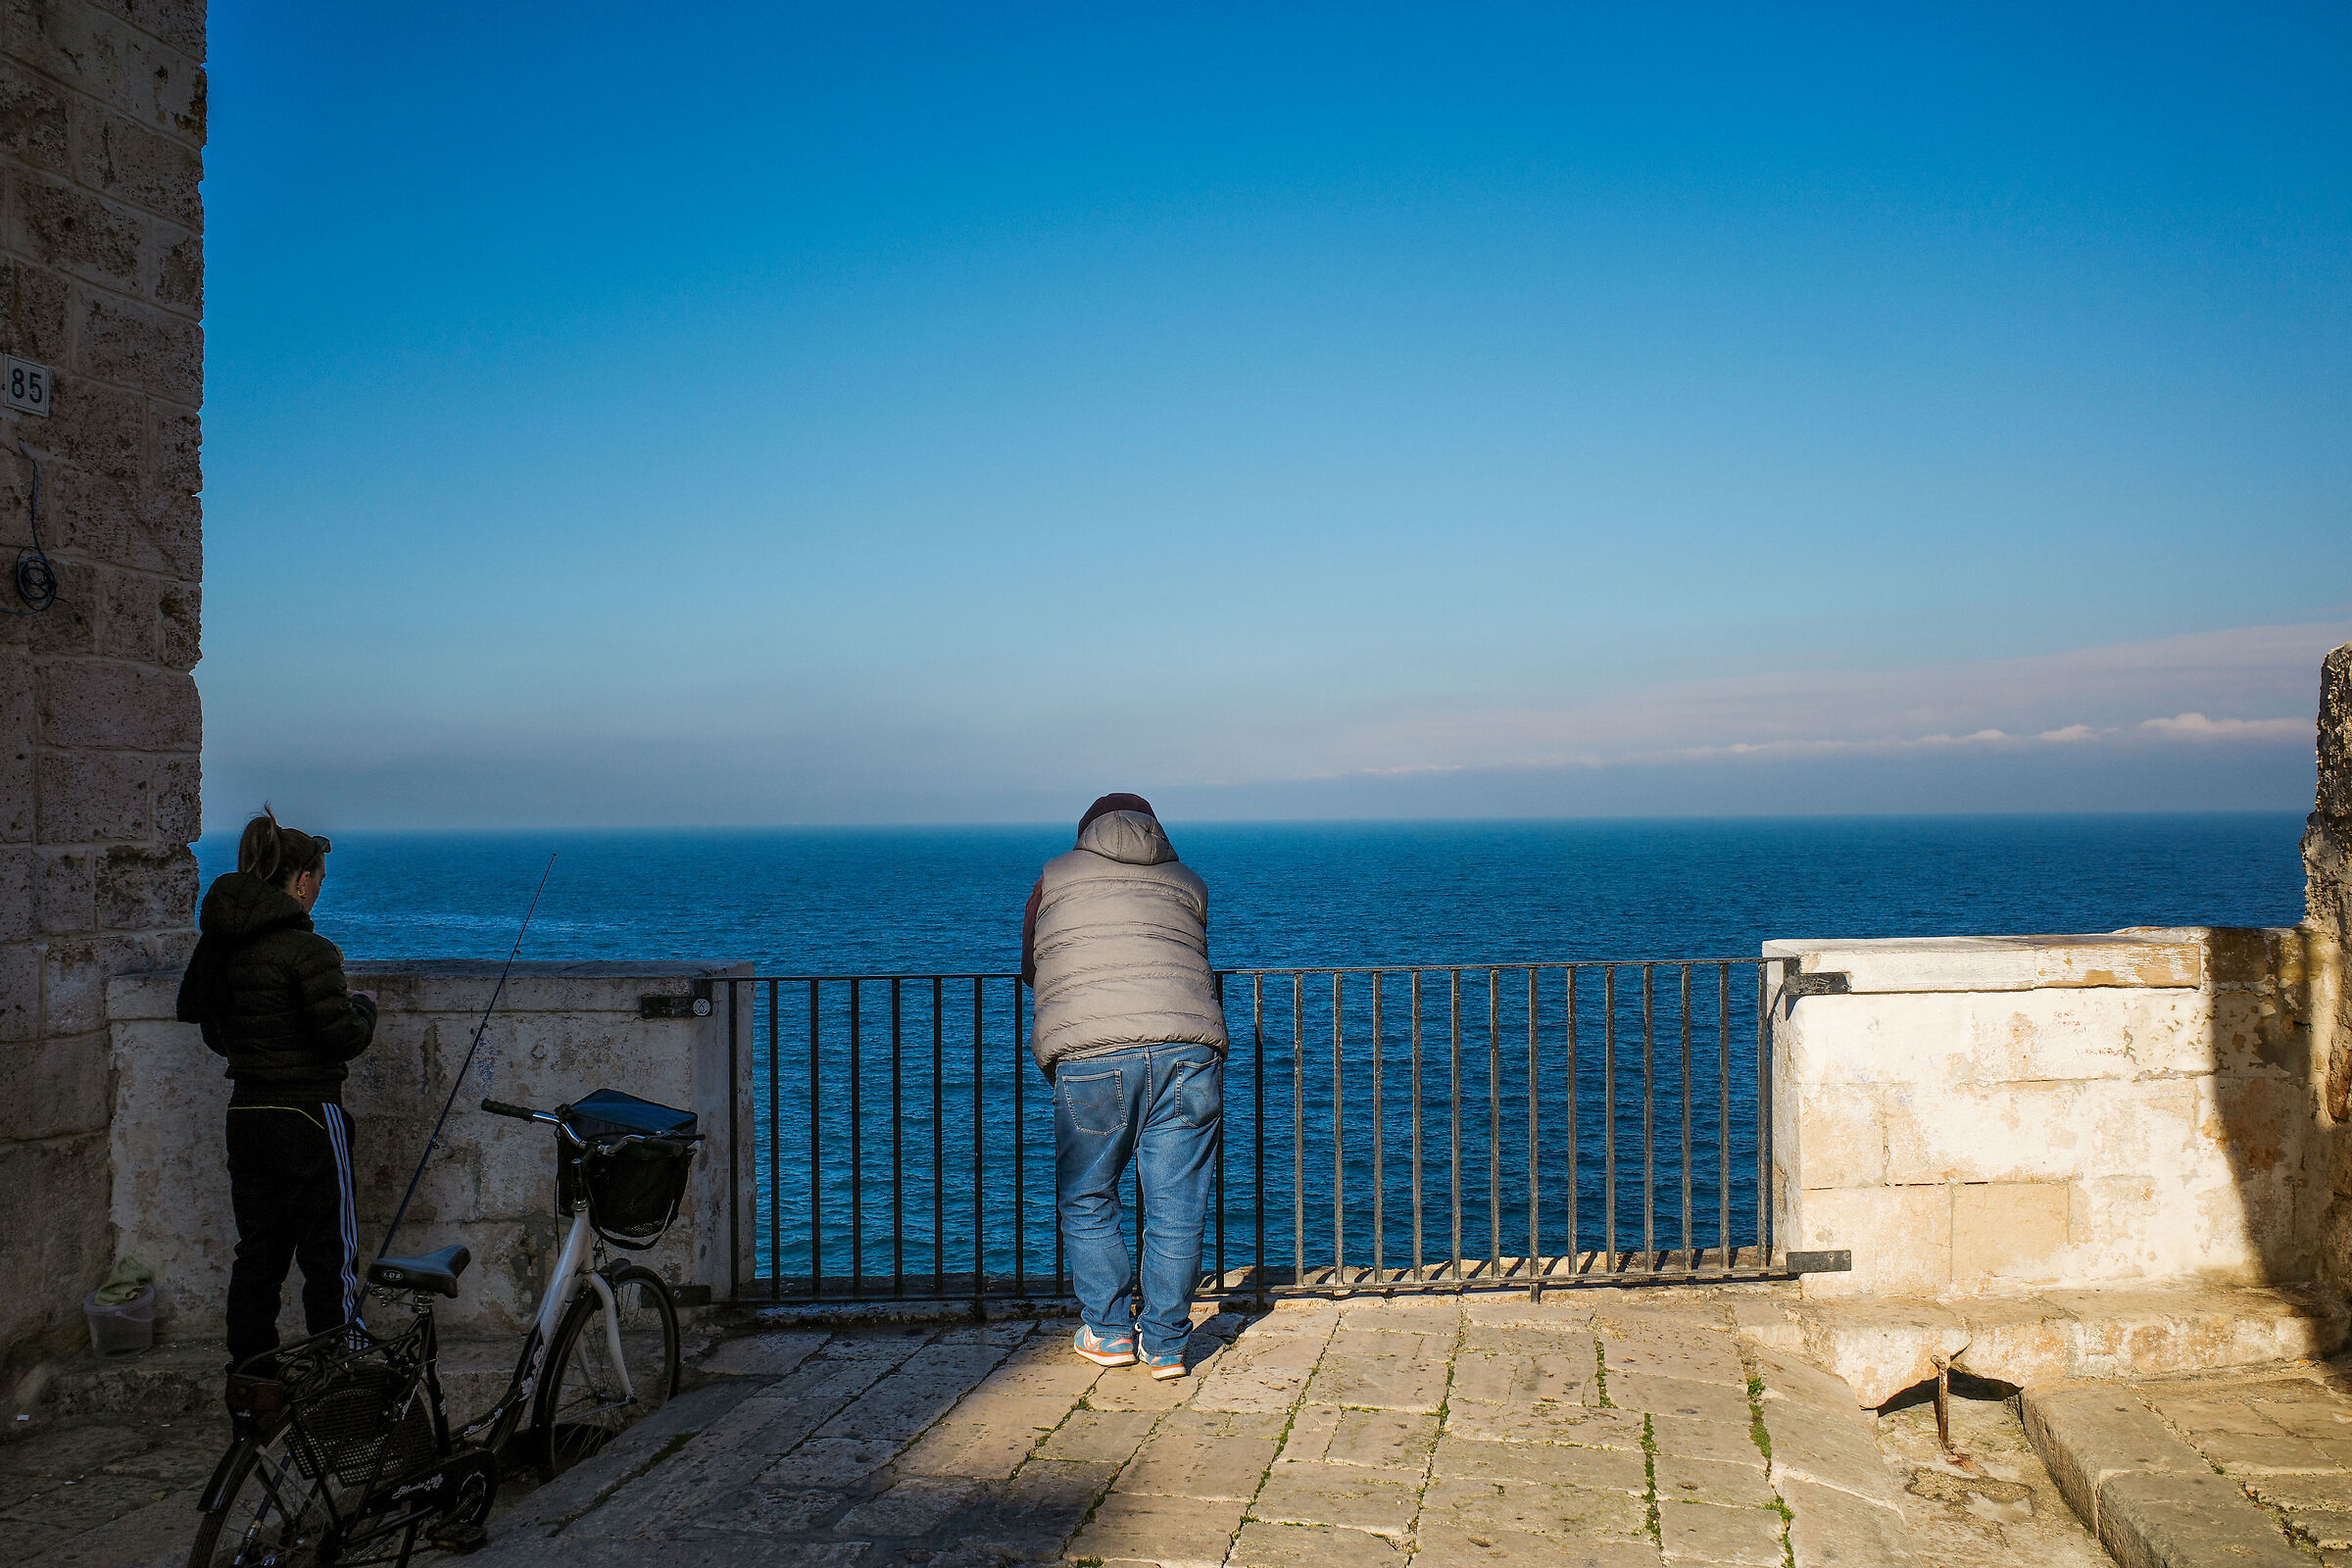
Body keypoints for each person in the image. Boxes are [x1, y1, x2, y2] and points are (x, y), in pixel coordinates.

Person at [1021, 793, 1228, 1378]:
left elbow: (1030, 962)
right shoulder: (1188, 881)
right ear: (1155, 830)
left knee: (1088, 1193)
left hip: (1092, 1051)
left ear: (1086, 832)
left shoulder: (1056, 876)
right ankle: (1165, 1343)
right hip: (1188, 1050)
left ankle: (1110, 1332)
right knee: (1177, 1205)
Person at [176, 808, 378, 1380]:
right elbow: (341, 1036)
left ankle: (252, 1374)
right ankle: (341, 1366)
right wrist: (363, 1008)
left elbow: (210, 1025)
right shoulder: (307, 950)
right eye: (317, 880)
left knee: (259, 1253)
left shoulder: (222, 947)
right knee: (329, 1255)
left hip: (247, 1112)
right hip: (310, 1113)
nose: (317, 892)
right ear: (299, 881)